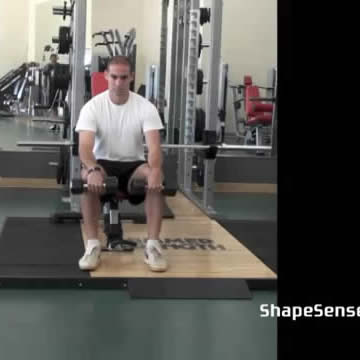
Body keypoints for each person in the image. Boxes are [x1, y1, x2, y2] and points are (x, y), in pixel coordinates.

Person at [75, 56, 167, 272]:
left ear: (132, 77)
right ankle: (92, 246)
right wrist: (93, 169)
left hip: (133, 165)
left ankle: (153, 246)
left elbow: (154, 147)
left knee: (155, 177)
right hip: (103, 163)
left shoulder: (145, 107)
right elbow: (85, 147)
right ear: (105, 76)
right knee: (87, 179)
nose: (118, 82)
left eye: (123, 77)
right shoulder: (93, 107)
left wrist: (155, 171)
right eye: (114, 77)